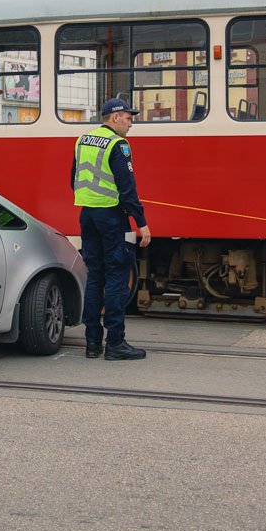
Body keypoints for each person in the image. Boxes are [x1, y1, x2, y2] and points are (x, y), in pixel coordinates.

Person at [71, 98, 151, 361]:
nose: (131, 124)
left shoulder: (83, 141)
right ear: (115, 117)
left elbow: (74, 180)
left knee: (95, 277)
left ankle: (92, 342)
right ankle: (115, 343)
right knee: (117, 277)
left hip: (87, 216)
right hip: (112, 217)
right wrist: (141, 223)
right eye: (129, 118)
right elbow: (127, 188)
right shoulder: (119, 145)